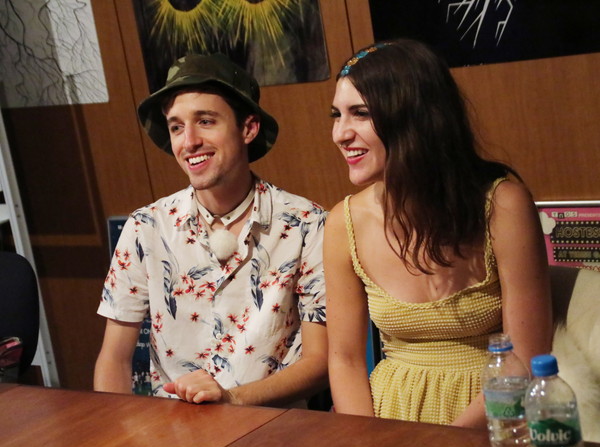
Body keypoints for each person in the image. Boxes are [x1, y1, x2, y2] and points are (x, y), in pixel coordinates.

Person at [325, 39, 552, 427]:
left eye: (360, 114)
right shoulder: (342, 223)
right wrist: (366, 438)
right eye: (337, 115)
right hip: (388, 420)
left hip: (493, 418)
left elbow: (525, 359)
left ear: (414, 116)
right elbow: (344, 359)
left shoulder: (502, 204)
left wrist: (444, 441)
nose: (340, 134)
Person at [94, 53, 328, 407]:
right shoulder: (146, 227)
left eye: (205, 121)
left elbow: (320, 361)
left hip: (276, 425)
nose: (189, 141)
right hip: (175, 427)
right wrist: (112, 431)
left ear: (248, 128)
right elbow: (114, 358)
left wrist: (231, 399)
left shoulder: (306, 224)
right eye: (176, 127)